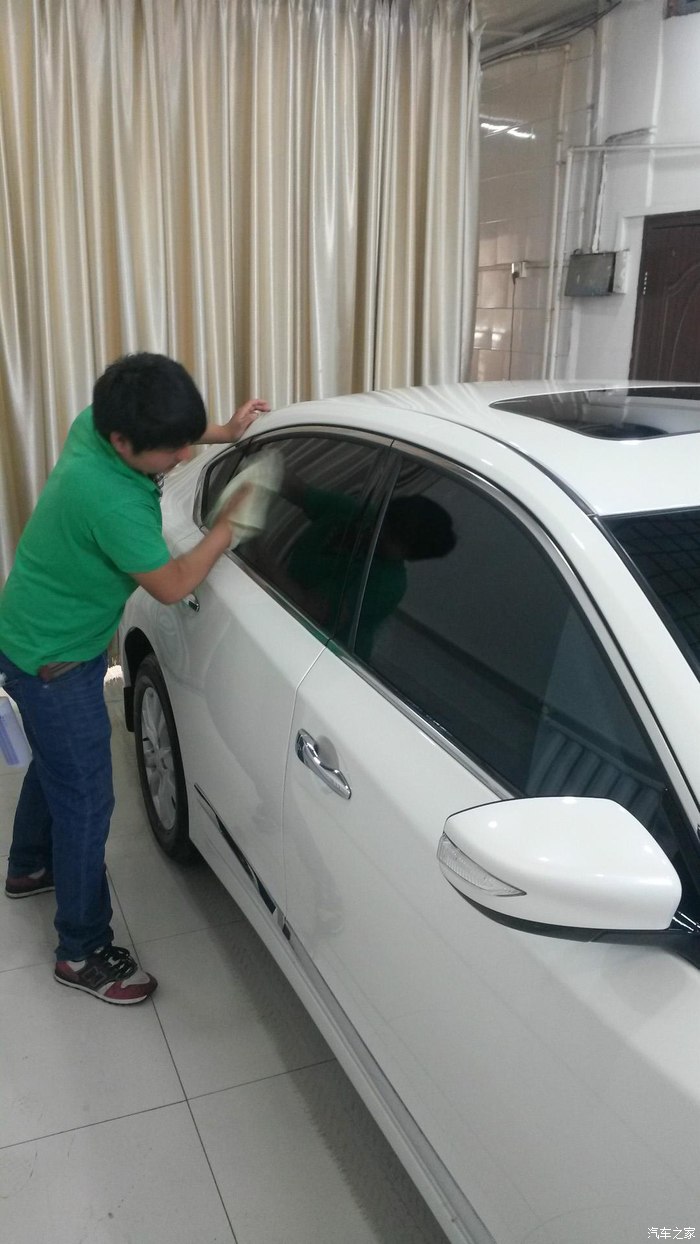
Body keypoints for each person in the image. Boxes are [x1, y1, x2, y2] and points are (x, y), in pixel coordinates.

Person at [0, 353, 268, 1005]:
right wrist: (227, 526)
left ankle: (29, 867)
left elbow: (170, 432)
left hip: (32, 633)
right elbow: (173, 585)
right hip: (56, 661)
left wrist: (225, 432)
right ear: (123, 442)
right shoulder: (111, 499)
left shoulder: (95, 423)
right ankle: (82, 952)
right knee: (87, 800)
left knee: (58, 766)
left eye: (187, 439)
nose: (184, 457)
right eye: (172, 450)